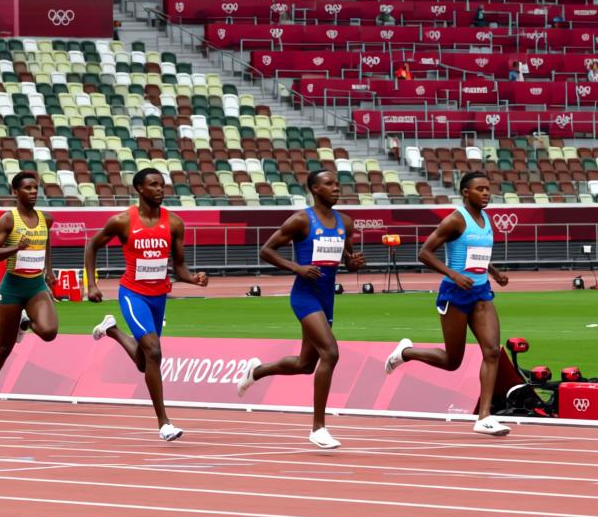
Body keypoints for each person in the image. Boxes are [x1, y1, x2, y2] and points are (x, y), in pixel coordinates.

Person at [236, 169, 365, 448]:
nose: (336, 188)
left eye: (337, 184)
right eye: (329, 184)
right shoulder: (300, 220)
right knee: (330, 353)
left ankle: (256, 371)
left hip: (327, 297)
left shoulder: (346, 222)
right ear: (315, 189)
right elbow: (266, 250)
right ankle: (318, 428)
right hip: (304, 297)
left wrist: (353, 263)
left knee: (305, 365)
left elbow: (346, 258)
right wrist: (297, 267)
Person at [84, 168, 208, 441]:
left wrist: (194, 278)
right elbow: (92, 245)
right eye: (153, 185)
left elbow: (180, 267)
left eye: (162, 185)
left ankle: (112, 330)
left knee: (145, 361)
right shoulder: (122, 222)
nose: (160, 189)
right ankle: (164, 422)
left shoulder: (174, 223)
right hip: (133, 294)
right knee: (153, 351)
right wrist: (91, 284)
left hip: (159, 296)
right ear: (139, 189)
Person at [383, 171, 510, 436]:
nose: (486, 193)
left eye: (488, 189)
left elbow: (477, 254)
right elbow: (424, 253)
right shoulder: (455, 220)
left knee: (492, 351)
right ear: (466, 192)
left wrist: (493, 271)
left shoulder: (485, 218)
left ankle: (484, 417)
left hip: (481, 293)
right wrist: (453, 274)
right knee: (453, 361)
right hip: (455, 294)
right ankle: (405, 354)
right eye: (480, 189)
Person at [0, 172, 58, 415]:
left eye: (36, 188)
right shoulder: (8, 220)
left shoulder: (46, 219)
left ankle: (26, 321)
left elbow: (45, 242)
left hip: (35, 286)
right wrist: (16, 247)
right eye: (27, 188)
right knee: (4, 346)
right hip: (12, 288)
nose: (33, 192)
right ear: (15, 192)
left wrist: (49, 270)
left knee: (49, 332)